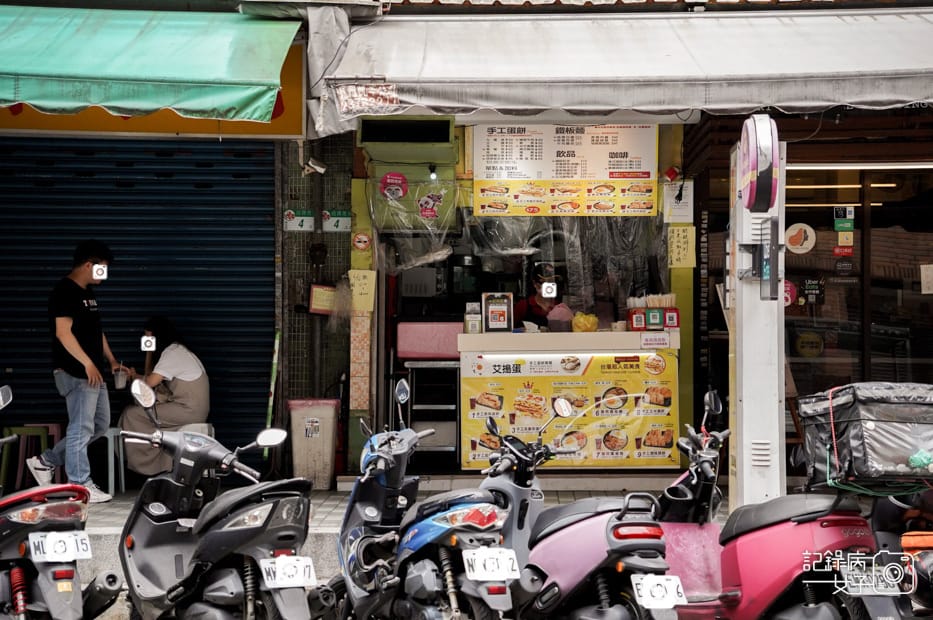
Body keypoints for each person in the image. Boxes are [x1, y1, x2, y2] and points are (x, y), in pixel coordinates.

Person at [27, 239, 127, 503]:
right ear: (88, 264)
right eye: (102, 268)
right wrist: (87, 362)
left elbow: (96, 332)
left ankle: (45, 461)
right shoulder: (64, 291)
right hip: (76, 371)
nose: (104, 274)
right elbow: (63, 333)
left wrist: (112, 360)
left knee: (99, 425)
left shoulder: (88, 294)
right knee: (81, 427)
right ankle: (79, 485)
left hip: (93, 372)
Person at [119, 316, 210, 475]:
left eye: (150, 338)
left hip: (187, 410)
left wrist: (146, 358)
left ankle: (148, 465)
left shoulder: (172, 353)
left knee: (132, 414)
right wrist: (142, 366)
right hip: (189, 408)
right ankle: (160, 463)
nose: (148, 341)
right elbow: (150, 377)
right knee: (144, 413)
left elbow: (150, 382)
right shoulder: (177, 350)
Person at [514, 262, 561, 328]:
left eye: (551, 282)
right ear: (535, 284)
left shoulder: (559, 306)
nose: (548, 286)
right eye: (543, 282)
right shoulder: (523, 306)